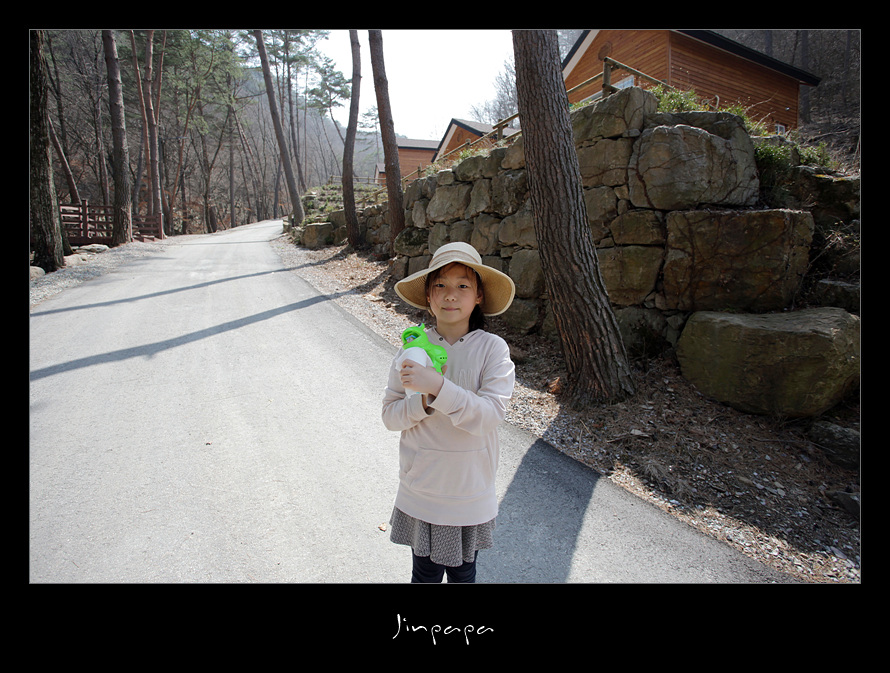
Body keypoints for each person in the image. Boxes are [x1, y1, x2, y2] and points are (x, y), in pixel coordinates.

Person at [382, 242, 516, 583]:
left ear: (479, 296)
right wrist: (423, 402)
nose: (450, 294)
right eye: (440, 284)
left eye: (462, 285)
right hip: (421, 491)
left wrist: (438, 387)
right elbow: (390, 416)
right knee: (424, 576)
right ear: (428, 295)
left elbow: (489, 416)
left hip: (469, 493)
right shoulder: (412, 349)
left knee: (463, 575)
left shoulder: (492, 350)